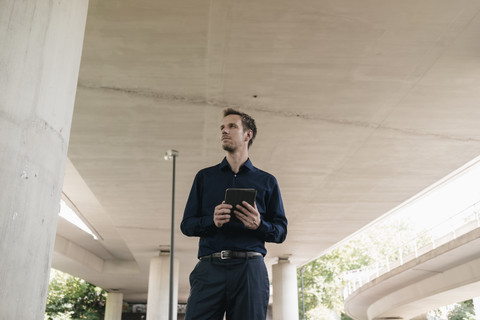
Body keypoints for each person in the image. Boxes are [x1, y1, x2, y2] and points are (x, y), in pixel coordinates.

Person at [180, 108, 288, 320]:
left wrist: (260, 224)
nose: (224, 131)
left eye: (232, 126)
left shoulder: (267, 181)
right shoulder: (204, 177)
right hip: (209, 268)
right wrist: (211, 221)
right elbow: (187, 225)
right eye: (222, 127)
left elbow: (281, 231)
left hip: (250, 270)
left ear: (248, 135)